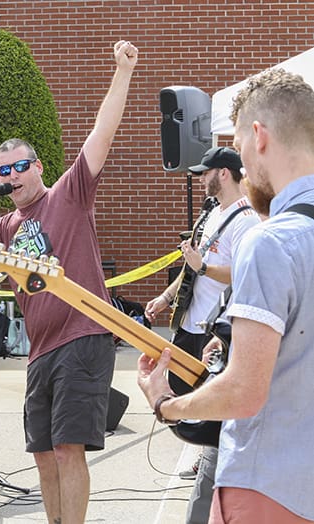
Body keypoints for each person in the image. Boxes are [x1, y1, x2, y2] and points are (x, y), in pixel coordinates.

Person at [0, 41, 138, 524]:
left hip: (83, 335)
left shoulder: (69, 194)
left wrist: (123, 71)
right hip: (41, 348)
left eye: (20, 167)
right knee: (45, 454)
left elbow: (103, 133)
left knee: (69, 448)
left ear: (38, 167)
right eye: (3, 171)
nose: (12, 176)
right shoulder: (3, 228)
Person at [139, 67, 314, 524]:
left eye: (237, 145)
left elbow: (244, 392)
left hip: (269, 484)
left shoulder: (270, 239)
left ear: (258, 137)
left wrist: (166, 404)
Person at [144, 146, 259, 522]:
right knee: (186, 395)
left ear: (223, 173)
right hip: (189, 324)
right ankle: (202, 452)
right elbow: (189, 268)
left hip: (215, 330)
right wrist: (164, 298)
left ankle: (208, 458)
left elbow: (241, 273)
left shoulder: (247, 220)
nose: (200, 179)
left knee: (207, 398)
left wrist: (205, 266)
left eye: (205, 173)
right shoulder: (210, 214)